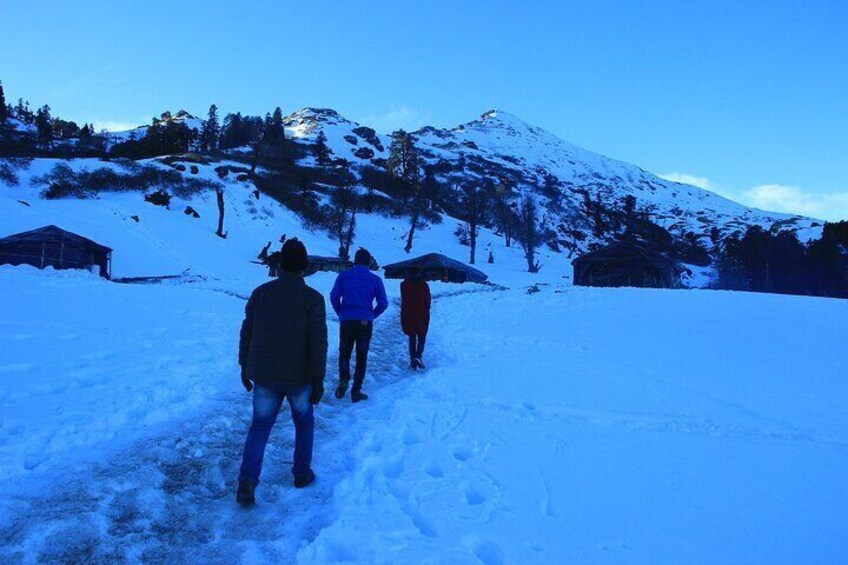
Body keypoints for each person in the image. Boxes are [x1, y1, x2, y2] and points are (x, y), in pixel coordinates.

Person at [236, 238, 328, 506]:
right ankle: (301, 473)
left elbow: (247, 332)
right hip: (299, 376)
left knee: (260, 427)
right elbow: (318, 340)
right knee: (304, 422)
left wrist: (244, 365)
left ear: (281, 265)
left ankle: (247, 481)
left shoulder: (261, 293)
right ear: (305, 267)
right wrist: (318, 377)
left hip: (263, 373)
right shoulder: (313, 299)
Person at [330, 248, 388, 402]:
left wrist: (341, 313)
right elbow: (383, 303)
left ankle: (343, 380)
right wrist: (371, 315)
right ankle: (356, 390)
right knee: (362, 356)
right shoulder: (375, 280)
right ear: (369, 262)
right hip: (364, 323)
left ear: (355, 261)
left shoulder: (344, 276)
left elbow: (334, 297)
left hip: (347, 321)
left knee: (344, 352)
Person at [401, 268, 431, 369]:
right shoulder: (423, 284)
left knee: (412, 337)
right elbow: (428, 300)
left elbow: (404, 300)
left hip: (409, 314)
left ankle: (413, 361)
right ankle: (418, 355)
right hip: (422, 314)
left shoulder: (404, 284)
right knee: (422, 336)